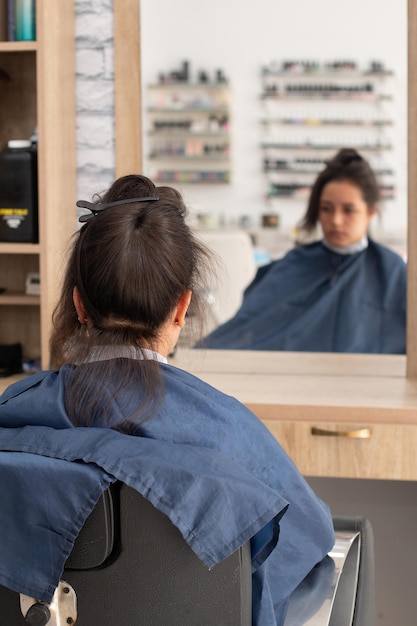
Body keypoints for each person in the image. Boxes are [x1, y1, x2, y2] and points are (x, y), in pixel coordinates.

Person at [0, 174, 334, 625]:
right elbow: (306, 544)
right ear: (181, 309)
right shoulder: (222, 427)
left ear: (79, 305)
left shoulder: (15, 408)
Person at [197, 148, 407, 353]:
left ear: (370, 212)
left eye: (348, 210)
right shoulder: (293, 264)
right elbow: (246, 329)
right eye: (326, 209)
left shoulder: (392, 273)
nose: (335, 220)